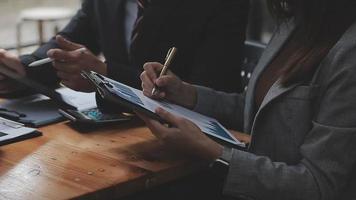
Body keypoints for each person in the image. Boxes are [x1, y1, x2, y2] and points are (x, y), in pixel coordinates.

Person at [138, 0, 356, 199]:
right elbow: (252, 110)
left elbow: (319, 185)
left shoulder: (348, 52)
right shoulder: (294, 23)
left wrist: (212, 151)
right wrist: (187, 94)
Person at [0, 0, 249, 94]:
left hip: (190, 155)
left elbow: (213, 92)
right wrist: (22, 68)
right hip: (118, 140)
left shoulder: (220, 5)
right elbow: (70, 39)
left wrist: (106, 78)